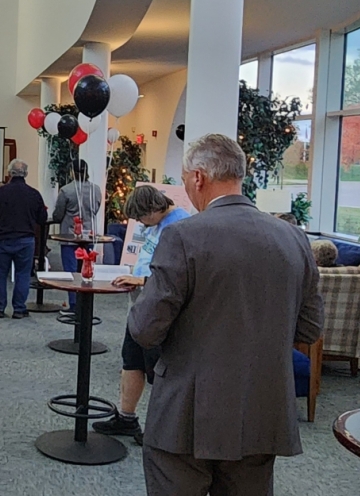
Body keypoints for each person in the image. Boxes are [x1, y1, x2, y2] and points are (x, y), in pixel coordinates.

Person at [128, 134, 323, 495]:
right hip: (263, 411)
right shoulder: (294, 238)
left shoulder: (183, 236)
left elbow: (145, 329)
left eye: (185, 180)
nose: (186, 188)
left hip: (187, 414)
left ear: (199, 177)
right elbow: (310, 328)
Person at [91, 185, 190, 445]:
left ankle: (163, 429)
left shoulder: (180, 227)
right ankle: (126, 417)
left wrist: (141, 280)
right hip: (142, 306)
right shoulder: (158, 224)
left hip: (161, 311)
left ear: (155, 209)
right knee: (131, 361)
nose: (141, 224)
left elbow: (178, 277)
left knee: (160, 373)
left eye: (142, 217)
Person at [0, 159, 46, 319]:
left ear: (9, 173)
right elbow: (42, 218)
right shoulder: (34, 193)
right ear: (26, 174)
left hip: (2, 238)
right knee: (23, 274)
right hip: (25, 239)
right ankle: (19, 308)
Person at [52, 160, 101, 310]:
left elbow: (58, 214)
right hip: (89, 235)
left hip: (69, 236)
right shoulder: (96, 189)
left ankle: (73, 304)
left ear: (72, 172)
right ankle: (84, 304)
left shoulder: (66, 190)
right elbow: (96, 208)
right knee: (86, 270)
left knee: (71, 272)